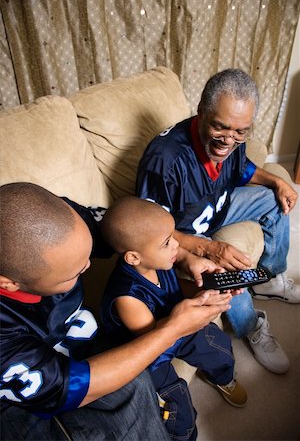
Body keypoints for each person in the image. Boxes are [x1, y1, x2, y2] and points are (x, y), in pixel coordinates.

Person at [0, 182, 231, 441]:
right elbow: (70, 386)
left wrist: (186, 256)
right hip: (21, 398)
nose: (89, 264)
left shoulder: (67, 219)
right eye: (74, 272)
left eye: (87, 255)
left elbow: (134, 229)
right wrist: (173, 328)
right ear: (8, 283)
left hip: (77, 349)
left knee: (137, 385)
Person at [136, 68, 300, 375]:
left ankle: (271, 281)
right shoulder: (164, 160)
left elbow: (244, 170)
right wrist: (209, 248)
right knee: (227, 278)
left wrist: (277, 183)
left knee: (276, 201)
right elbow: (149, 233)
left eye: (241, 131)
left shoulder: (234, 142)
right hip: (180, 235)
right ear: (201, 112)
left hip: (218, 208)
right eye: (221, 128)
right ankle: (253, 325)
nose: (229, 140)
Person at [100, 196, 247, 441]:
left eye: (173, 238)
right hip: (152, 351)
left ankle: (221, 378)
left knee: (218, 345)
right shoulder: (127, 298)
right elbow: (156, 341)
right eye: (167, 243)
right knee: (177, 406)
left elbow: (174, 289)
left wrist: (205, 292)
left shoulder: (158, 263)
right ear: (134, 257)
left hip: (176, 320)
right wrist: (197, 311)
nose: (177, 248)